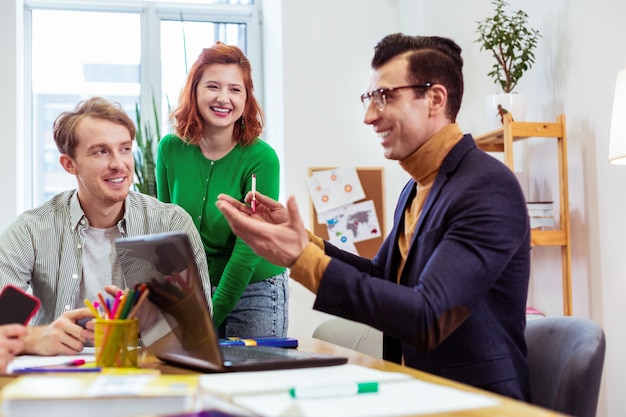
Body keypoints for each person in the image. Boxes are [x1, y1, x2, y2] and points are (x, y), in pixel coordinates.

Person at [216, 33, 531, 401]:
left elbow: (427, 316)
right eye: (369, 98)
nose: (368, 116)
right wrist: (306, 241)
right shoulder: (415, 188)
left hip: (478, 401)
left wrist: (302, 260)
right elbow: (381, 277)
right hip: (421, 393)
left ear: (435, 99)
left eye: (384, 97)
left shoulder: (487, 187)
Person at [0, 97, 212, 356]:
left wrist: (150, 323)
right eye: (101, 151)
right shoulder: (31, 231)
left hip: (146, 372)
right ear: (69, 164)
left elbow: (200, 329)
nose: (118, 164)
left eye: (124, 149)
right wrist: (33, 338)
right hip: (59, 376)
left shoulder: (170, 223)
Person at [156, 42, 288, 338]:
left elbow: (248, 248)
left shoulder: (261, 158)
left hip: (256, 290)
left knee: (251, 381)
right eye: (213, 86)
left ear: (246, 98)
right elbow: (165, 229)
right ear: (195, 90)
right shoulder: (170, 149)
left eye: (235, 89)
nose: (223, 98)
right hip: (194, 287)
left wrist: (208, 319)